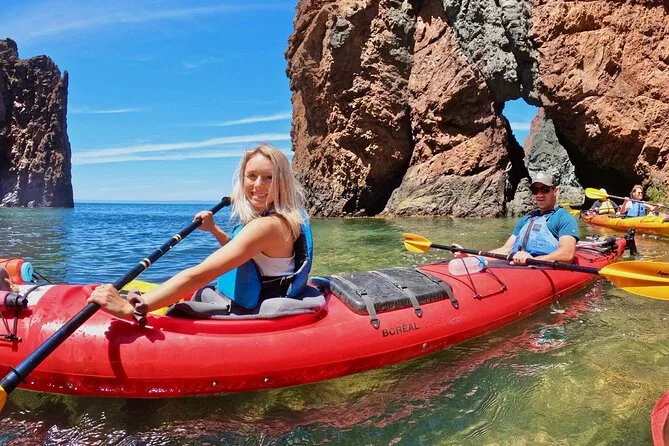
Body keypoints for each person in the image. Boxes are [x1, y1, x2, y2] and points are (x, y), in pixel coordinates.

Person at [88, 143, 313, 320]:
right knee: (196, 294)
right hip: (255, 297)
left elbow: (200, 275)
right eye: (252, 176)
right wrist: (213, 229)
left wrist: (132, 308)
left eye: (269, 178)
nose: (258, 185)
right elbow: (249, 256)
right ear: (243, 178)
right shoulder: (284, 218)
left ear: (283, 182)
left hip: (251, 309)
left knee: (179, 309)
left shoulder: (267, 226)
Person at [456, 172, 579, 266]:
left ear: (555, 191)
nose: (540, 195)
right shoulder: (526, 219)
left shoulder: (564, 218)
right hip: (515, 264)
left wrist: (533, 260)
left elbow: (567, 254)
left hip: (542, 266)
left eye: (545, 189)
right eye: (535, 190)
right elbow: (506, 250)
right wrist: (472, 257)